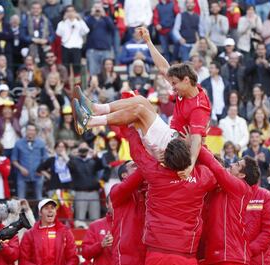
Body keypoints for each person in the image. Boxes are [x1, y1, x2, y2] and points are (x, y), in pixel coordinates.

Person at [75, 25, 211, 179]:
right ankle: (95, 109)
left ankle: (89, 122)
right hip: (170, 135)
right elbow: (163, 67)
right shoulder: (191, 87)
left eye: (174, 84)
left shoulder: (199, 107)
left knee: (139, 110)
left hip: (172, 146)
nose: (172, 88)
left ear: (186, 80)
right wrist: (148, 41)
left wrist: (190, 165)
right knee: (141, 100)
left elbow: (197, 140)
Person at [119, 124, 217, 265]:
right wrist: (198, 144)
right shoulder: (201, 177)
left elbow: (137, 155)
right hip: (185, 255)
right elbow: (214, 167)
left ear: (166, 158)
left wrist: (132, 128)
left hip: (156, 253)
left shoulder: (154, 172)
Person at [198, 146, 260, 265]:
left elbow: (217, 169)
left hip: (231, 257)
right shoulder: (220, 186)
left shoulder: (241, 187)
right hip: (213, 255)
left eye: (237, 164)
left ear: (242, 175)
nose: (231, 164)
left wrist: (198, 145)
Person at [19, 199, 79, 265]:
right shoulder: (29, 234)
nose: (50, 210)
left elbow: (74, 259)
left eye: (52, 208)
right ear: (40, 213)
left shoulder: (65, 232)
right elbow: (22, 261)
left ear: (56, 212)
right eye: (46, 208)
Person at [109, 161, 146, 265]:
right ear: (124, 175)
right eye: (134, 166)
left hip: (148, 258)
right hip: (126, 260)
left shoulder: (149, 190)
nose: (138, 167)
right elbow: (129, 185)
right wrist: (147, 163)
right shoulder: (116, 190)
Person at [245, 186, 270, 265]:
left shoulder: (266, 197)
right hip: (235, 263)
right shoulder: (232, 193)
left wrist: (247, 251)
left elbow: (269, 233)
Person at [82, 196, 116, 265]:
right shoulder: (95, 225)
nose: (116, 203)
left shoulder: (131, 225)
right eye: (113, 201)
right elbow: (85, 253)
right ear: (106, 204)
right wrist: (101, 245)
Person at [11, 123, 48, 200]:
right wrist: (21, 168)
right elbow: (14, 160)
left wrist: (41, 169)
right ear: (26, 131)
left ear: (35, 132)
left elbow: (45, 159)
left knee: (39, 199)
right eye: (29, 130)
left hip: (37, 175)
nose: (30, 132)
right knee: (21, 200)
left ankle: (38, 212)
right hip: (22, 176)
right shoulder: (18, 143)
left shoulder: (41, 143)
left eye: (33, 130)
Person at [56, 5, 89, 85]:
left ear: (75, 12)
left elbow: (86, 31)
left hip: (76, 48)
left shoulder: (79, 22)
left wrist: (80, 19)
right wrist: (63, 21)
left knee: (76, 68)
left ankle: (77, 87)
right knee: (65, 68)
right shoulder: (62, 23)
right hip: (65, 47)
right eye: (68, 11)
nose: (70, 13)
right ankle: (66, 86)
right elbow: (58, 33)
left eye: (72, 11)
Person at [20, 1, 55, 65]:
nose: (36, 10)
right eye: (34, 8)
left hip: (44, 48)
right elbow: (22, 35)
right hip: (31, 47)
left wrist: (47, 40)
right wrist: (32, 39)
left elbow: (52, 35)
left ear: (41, 9)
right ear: (31, 9)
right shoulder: (26, 20)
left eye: (38, 8)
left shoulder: (46, 20)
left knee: (44, 67)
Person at [84, 2, 114, 76]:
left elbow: (112, 28)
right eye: (95, 7)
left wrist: (104, 15)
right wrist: (91, 15)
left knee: (106, 72)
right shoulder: (88, 19)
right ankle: (94, 86)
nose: (97, 9)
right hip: (92, 50)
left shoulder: (106, 19)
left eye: (99, 7)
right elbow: (85, 28)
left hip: (105, 49)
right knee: (93, 72)